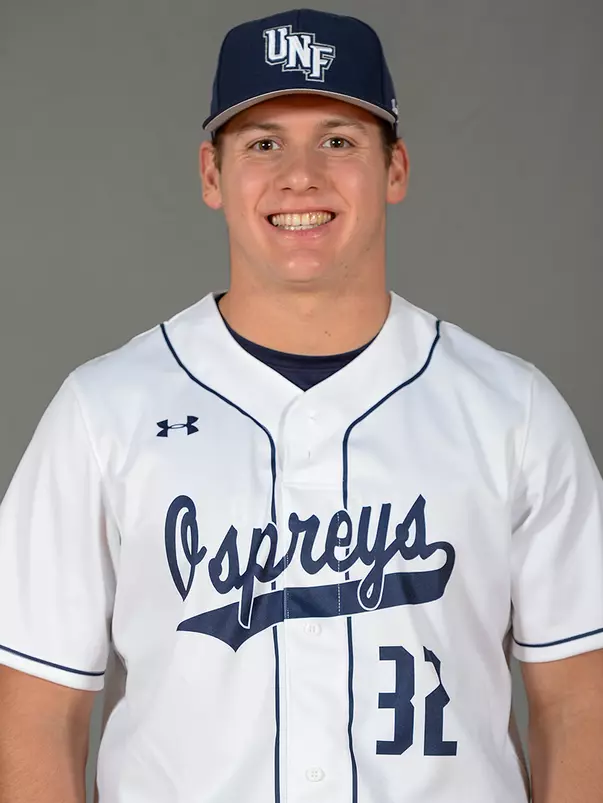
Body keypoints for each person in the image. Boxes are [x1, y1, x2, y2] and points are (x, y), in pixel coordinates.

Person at [0, 8, 602, 803]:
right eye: (262, 142)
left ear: (395, 169)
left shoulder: (511, 410)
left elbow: (576, 703)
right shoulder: (103, 409)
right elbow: (36, 714)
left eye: (338, 140)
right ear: (212, 176)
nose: (300, 176)